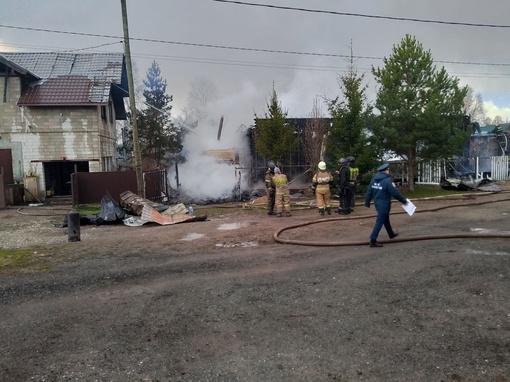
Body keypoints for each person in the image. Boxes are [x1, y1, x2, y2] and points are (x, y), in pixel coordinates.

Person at [364, 163, 408, 248]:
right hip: (384, 205)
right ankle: (373, 240)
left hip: (377, 204)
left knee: (385, 219)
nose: (389, 171)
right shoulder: (388, 181)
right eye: (388, 170)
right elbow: (395, 193)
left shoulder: (373, 179)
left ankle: (391, 234)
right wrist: (404, 201)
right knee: (379, 222)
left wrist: (367, 202)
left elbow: (369, 192)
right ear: (386, 171)